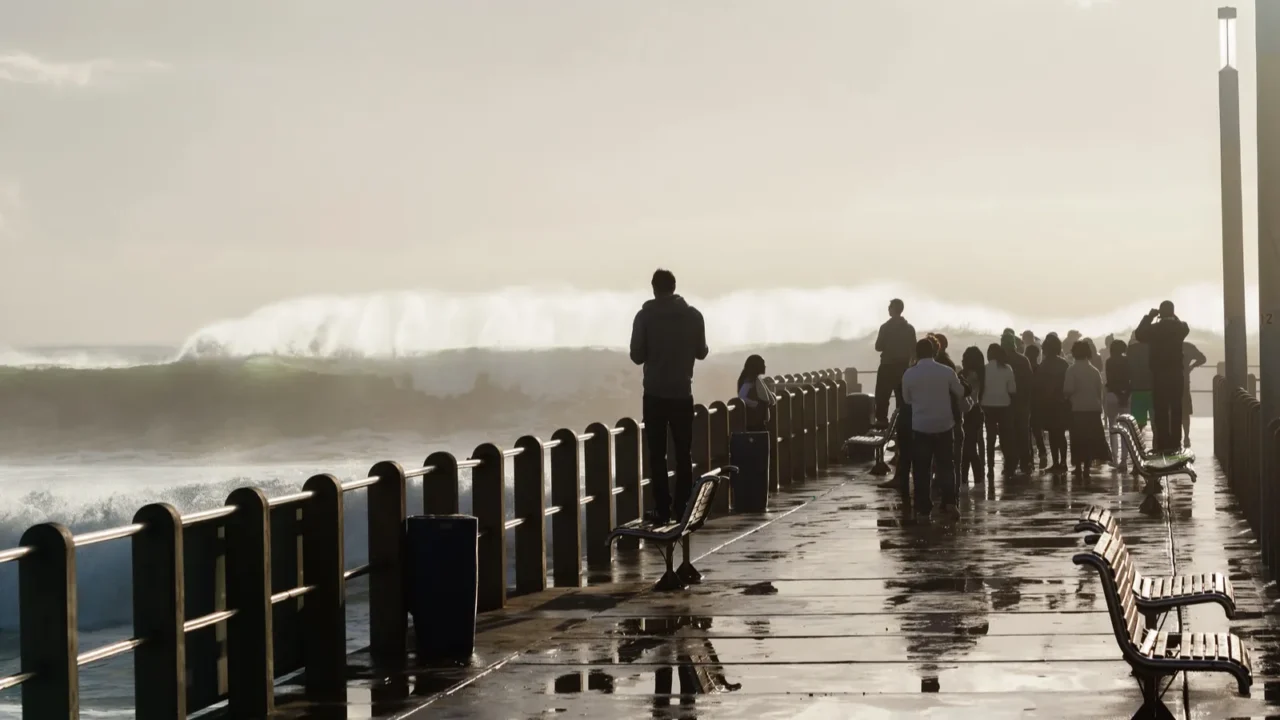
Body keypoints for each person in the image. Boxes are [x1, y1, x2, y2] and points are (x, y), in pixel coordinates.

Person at [630, 269, 708, 523]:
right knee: (683, 454)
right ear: (675, 287)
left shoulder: (644, 317)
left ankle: (662, 509)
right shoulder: (693, 316)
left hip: (654, 394)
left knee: (657, 454)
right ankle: (683, 506)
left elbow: (636, 356)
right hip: (682, 393)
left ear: (654, 288)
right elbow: (702, 352)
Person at [901, 338, 965, 519]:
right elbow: (960, 392)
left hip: (921, 426)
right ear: (934, 352)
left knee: (922, 468)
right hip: (944, 424)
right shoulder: (946, 371)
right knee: (946, 465)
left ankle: (923, 506)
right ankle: (950, 503)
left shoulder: (909, 374)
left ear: (916, 353)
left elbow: (907, 400)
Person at [1134, 301, 1191, 453]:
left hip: (1159, 375)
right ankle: (1175, 443)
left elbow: (1139, 334)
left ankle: (1164, 443)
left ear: (1160, 313)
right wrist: (1174, 317)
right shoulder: (1180, 328)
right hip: (1176, 374)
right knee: (1176, 408)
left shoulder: (1154, 329)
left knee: (1161, 409)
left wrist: (1149, 317)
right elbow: (1185, 327)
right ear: (1172, 312)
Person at [1064, 340, 1106, 476]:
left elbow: (1068, 389)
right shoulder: (1094, 371)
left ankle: (1078, 467)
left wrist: (1066, 397)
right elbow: (1100, 392)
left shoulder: (1071, 370)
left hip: (1077, 409)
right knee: (1089, 439)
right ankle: (1087, 465)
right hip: (1093, 409)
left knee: (1077, 439)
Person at [874, 299, 917, 427]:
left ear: (893, 309)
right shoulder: (909, 329)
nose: (888, 309)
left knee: (882, 398)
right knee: (902, 400)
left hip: (887, 367)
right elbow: (914, 349)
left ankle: (882, 425)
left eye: (889, 307)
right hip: (903, 368)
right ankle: (901, 428)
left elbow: (878, 347)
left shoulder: (885, 327)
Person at [981, 343, 1017, 478]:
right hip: (1004, 405)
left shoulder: (983, 369)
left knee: (990, 438)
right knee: (1005, 437)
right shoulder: (1007, 369)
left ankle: (990, 466)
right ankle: (1008, 465)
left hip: (988, 406)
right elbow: (1012, 390)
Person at [1037, 333, 1071, 472]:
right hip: (1062, 403)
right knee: (1060, 434)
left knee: (1052, 434)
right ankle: (1063, 462)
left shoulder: (1043, 365)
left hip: (1048, 404)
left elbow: (1039, 387)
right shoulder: (1064, 364)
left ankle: (1056, 462)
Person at [1001, 330, 1034, 475]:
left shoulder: (1002, 362)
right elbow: (1030, 381)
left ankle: (1010, 464)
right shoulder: (1023, 360)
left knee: (1007, 434)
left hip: (1006, 404)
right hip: (1022, 402)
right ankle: (1026, 463)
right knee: (1023, 433)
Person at [1104, 339, 1133, 473]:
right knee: (1125, 430)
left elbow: (1110, 380)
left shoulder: (1109, 361)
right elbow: (1129, 379)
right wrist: (1125, 394)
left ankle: (1114, 458)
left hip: (1112, 395)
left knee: (1113, 428)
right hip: (1126, 395)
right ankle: (1124, 460)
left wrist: (1116, 392)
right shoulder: (1127, 361)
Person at [959, 346, 986, 484]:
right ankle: (977, 477)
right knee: (971, 446)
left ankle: (966, 477)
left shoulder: (967, 375)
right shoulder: (982, 375)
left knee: (967, 447)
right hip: (977, 411)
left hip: (968, 411)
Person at [736, 354, 775, 432]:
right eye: (763, 364)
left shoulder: (756, 379)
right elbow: (742, 397)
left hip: (757, 421)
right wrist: (756, 404)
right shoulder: (749, 380)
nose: (765, 366)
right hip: (754, 423)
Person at [1024, 344, 1048, 468]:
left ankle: (1029, 457)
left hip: (1027, 402)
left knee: (1027, 430)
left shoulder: (1025, 369)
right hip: (1038, 403)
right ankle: (1042, 453)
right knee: (1037, 430)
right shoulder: (1040, 369)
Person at [1181, 341, 1208, 447]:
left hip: (1170, 383)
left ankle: (1174, 437)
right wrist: (1192, 366)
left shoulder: (1169, 344)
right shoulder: (1188, 346)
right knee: (1185, 412)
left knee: (1172, 411)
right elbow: (1203, 358)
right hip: (1184, 382)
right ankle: (1186, 437)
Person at [1127, 333, 1153, 434]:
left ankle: (1139, 447)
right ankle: (1157, 448)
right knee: (1156, 425)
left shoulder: (1131, 349)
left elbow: (1127, 367)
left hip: (1136, 388)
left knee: (1138, 424)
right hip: (1152, 389)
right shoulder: (1153, 347)